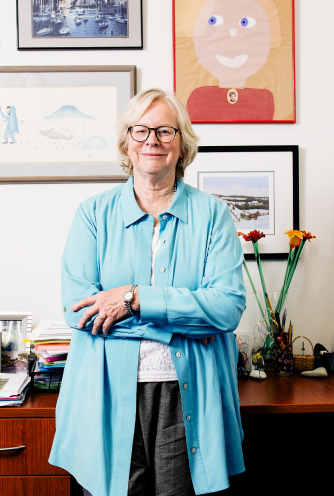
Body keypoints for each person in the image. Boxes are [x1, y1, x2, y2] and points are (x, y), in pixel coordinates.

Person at [49, 88, 246, 496]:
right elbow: (79, 312)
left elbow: (226, 309)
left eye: (165, 131)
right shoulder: (92, 214)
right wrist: (180, 322)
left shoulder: (213, 215)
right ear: (126, 143)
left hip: (186, 391)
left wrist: (133, 299)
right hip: (106, 390)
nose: (151, 140)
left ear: (183, 143)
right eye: (140, 131)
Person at [182, 0, 282, 122]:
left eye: (246, 22)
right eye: (213, 21)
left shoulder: (264, 100)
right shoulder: (198, 99)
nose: (232, 33)